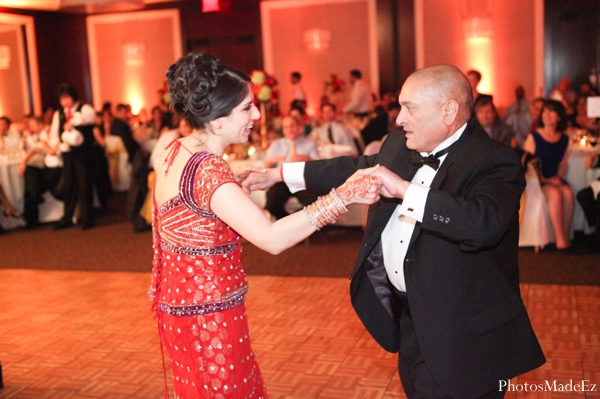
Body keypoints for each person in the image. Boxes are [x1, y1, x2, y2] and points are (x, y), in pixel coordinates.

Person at [242, 64, 546, 399]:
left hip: (464, 334)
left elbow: (482, 224)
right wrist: (279, 174)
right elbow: (355, 168)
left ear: (448, 111)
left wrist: (403, 189)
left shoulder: (494, 159)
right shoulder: (399, 143)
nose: (399, 118)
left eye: (410, 108)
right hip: (411, 319)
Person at [149, 53, 381, 398]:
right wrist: (343, 196)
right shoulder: (208, 170)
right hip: (208, 316)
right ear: (216, 119)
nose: (257, 115)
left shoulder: (174, 151)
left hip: (180, 308)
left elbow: (186, 218)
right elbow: (271, 239)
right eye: (246, 108)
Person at [523, 100, 575, 250]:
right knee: (556, 194)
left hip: (553, 178)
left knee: (568, 193)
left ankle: (565, 235)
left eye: (552, 111)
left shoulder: (563, 139)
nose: (547, 115)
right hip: (536, 180)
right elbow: (528, 164)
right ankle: (560, 240)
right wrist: (545, 179)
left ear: (559, 116)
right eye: (545, 111)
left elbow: (563, 164)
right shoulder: (534, 137)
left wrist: (558, 177)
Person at [51, 84, 96, 230]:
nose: (65, 102)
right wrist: (57, 146)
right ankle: (67, 217)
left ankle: (87, 218)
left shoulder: (85, 109)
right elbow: (54, 133)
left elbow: (90, 118)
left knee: (84, 185)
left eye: (67, 98)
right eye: (62, 99)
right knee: (69, 185)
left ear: (73, 97)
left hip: (83, 154)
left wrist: (72, 122)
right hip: (67, 154)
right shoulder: (59, 114)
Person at [264, 115, 320, 220]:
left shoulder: (309, 143)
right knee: (271, 204)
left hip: (302, 179)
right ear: (283, 130)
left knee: (315, 202)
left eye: (292, 126)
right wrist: (270, 161)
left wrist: (308, 159)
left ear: (299, 127)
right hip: (282, 180)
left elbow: (318, 167)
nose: (290, 130)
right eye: (286, 127)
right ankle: (290, 224)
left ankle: (301, 224)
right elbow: (264, 169)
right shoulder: (276, 145)